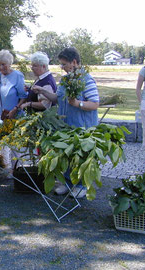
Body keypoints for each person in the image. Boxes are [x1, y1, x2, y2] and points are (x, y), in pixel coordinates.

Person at [33, 47, 99, 198]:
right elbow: (57, 98)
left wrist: (77, 104)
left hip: (82, 127)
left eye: (63, 64)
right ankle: (68, 183)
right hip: (66, 125)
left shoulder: (86, 80)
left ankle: (81, 186)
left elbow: (94, 104)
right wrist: (42, 91)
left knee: (80, 157)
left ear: (74, 62)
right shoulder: (65, 79)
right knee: (67, 155)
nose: (62, 68)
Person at [0, 49, 27, 170]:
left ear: (10, 63)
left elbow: (23, 97)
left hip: (15, 115)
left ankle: (18, 171)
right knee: (2, 143)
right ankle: (4, 168)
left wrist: (15, 109)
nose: (1, 67)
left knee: (16, 144)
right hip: (1, 115)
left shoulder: (17, 76)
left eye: (3, 64)